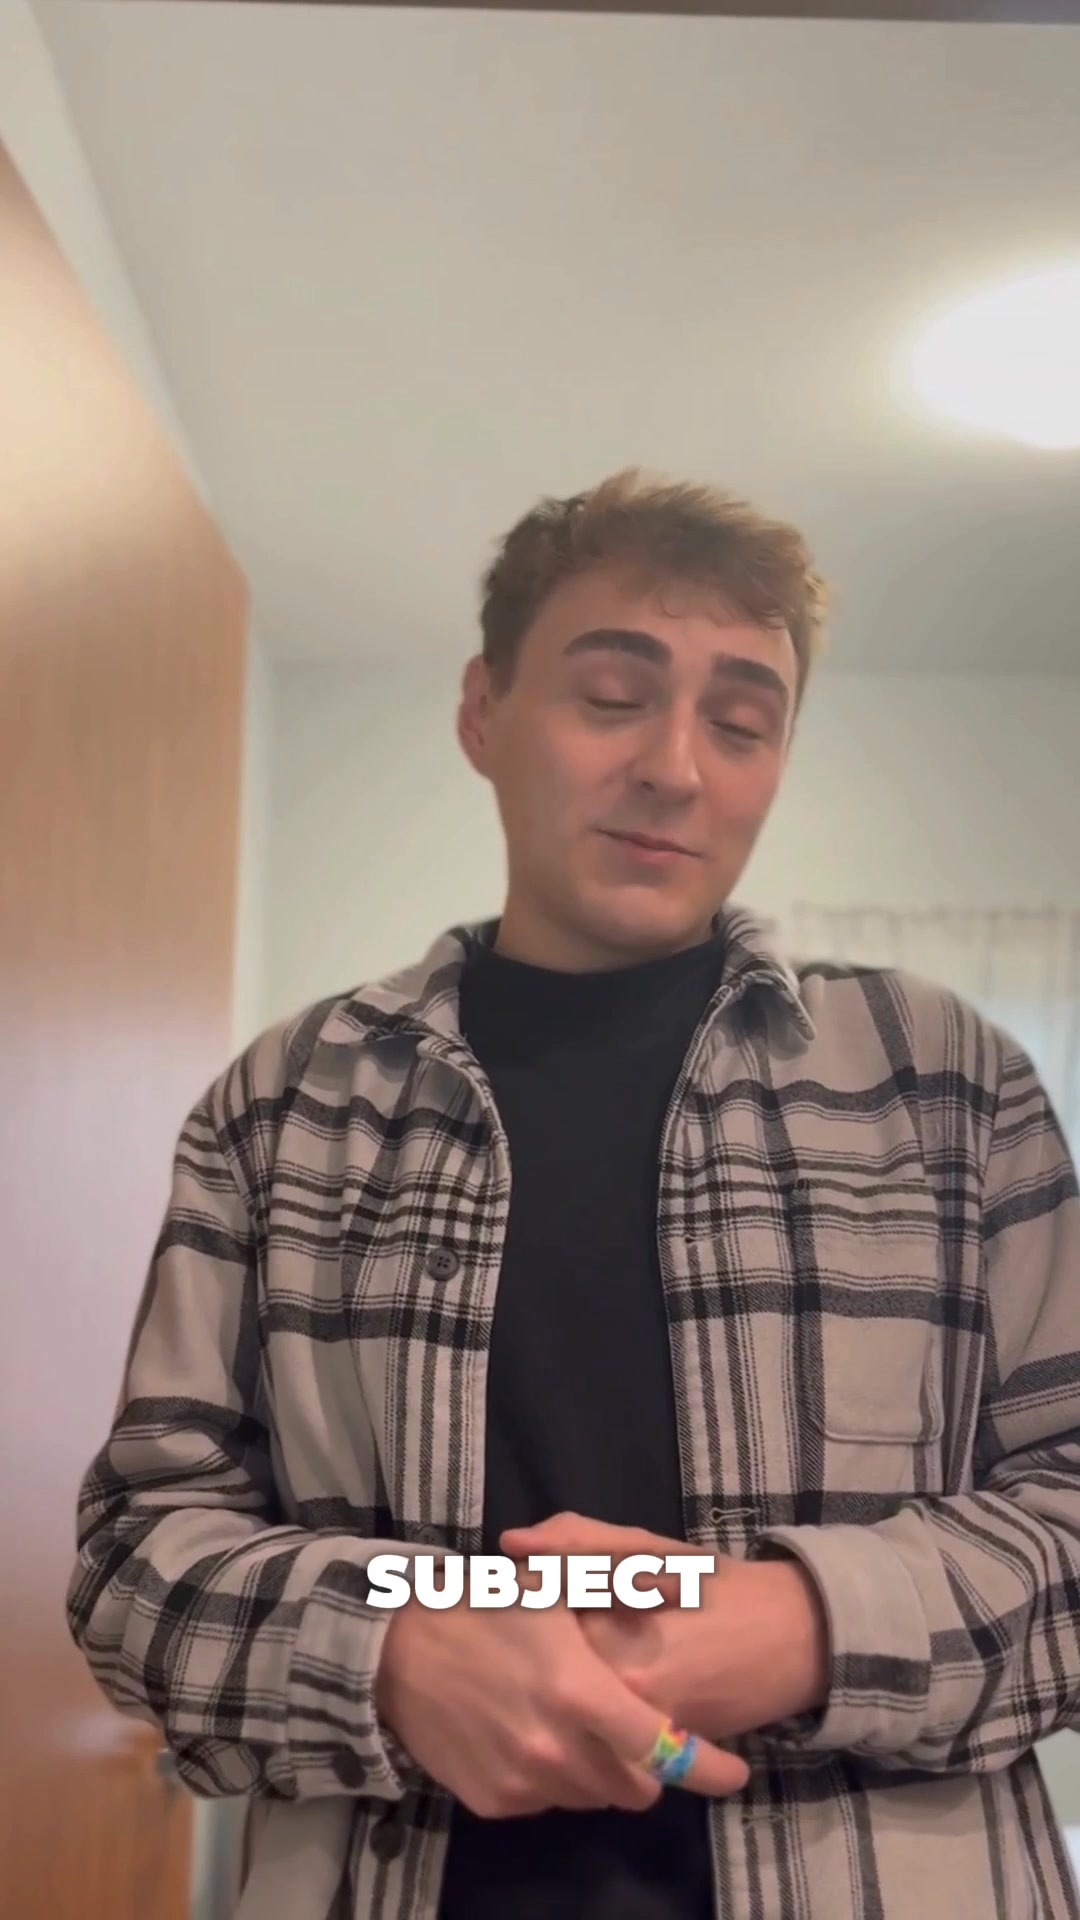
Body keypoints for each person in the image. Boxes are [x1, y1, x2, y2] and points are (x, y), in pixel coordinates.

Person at [68, 470, 1080, 1920]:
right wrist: (396, 1642)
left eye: (742, 724)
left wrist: (798, 1622)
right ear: (484, 713)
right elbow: (134, 1561)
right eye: (613, 697)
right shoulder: (285, 1102)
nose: (676, 767)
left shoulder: (949, 1083)